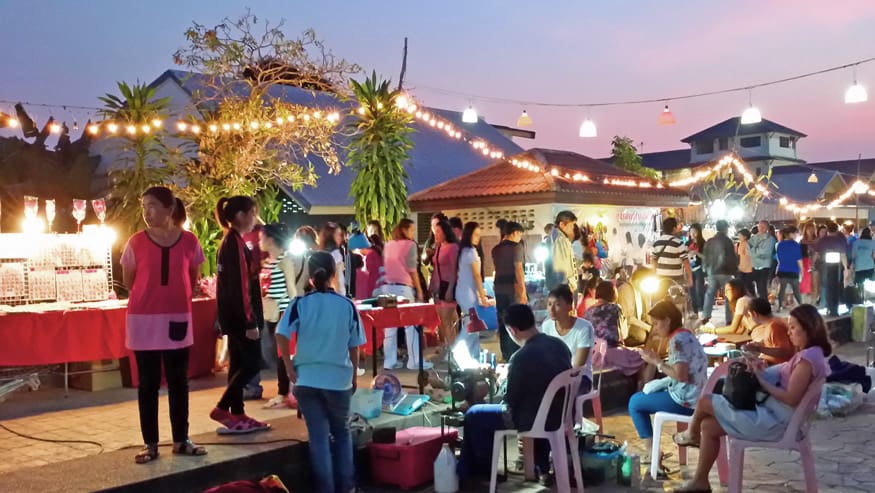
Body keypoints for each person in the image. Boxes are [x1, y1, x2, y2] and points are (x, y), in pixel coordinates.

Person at [672, 304, 831, 493]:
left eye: (793, 327)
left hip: (775, 423)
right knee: (708, 427)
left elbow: (790, 398)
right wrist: (761, 369)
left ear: (808, 328)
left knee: (704, 402)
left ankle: (691, 434)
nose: (789, 332)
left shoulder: (807, 360)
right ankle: (701, 481)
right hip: (775, 417)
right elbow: (783, 376)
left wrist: (762, 381)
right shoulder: (810, 355)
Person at [121, 186, 207, 463]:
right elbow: (128, 280)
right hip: (142, 319)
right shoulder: (135, 242)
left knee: (178, 381)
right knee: (147, 383)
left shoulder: (189, 241)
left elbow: (193, 276)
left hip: (177, 317)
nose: (147, 212)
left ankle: (181, 439)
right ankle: (151, 444)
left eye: (153, 206)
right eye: (144, 206)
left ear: (170, 209)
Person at [276, 252, 366, 493]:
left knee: (318, 437)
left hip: (306, 381)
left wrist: (288, 365)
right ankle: (347, 488)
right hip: (339, 381)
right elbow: (354, 345)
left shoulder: (299, 304)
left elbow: (280, 333)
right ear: (334, 274)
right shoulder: (347, 305)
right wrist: (354, 375)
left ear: (310, 275)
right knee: (342, 433)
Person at [459, 304, 571, 484]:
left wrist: (503, 379)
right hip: (560, 413)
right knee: (534, 403)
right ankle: (540, 465)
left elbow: (509, 400)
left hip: (532, 418)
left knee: (474, 414)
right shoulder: (559, 345)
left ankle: (481, 472)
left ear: (513, 330)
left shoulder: (520, 357)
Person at [210, 196, 271, 434]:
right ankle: (223, 407)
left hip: (231, 315)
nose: (255, 219)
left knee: (238, 365)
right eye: (253, 213)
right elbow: (240, 287)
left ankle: (237, 414)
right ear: (240, 216)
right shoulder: (234, 243)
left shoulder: (232, 241)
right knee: (250, 363)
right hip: (240, 317)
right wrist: (250, 321)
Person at [627, 300, 707, 471]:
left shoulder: (677, 341)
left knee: (635, 403)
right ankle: (652, 451)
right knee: (645, 394)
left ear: (668, 320)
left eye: (656, 324)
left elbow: (680, 375)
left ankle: (652, 452)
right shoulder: (686, 334)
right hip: (697, 396)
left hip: (686, 400)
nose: (654, 329)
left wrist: (657, 362)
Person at [380, 219, 431, 370]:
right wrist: (420, 290)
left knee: (390, 326)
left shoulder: (388, 245)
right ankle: (414, 361)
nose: (413, 233)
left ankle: (389, 361)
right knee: (411, 325)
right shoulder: (411, 245)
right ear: (404, 230)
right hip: (404, 287)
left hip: (387, 287)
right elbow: (412, 269)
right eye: (411, 230)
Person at [259, 223, 298, 410]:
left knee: (283, 354)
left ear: (271, 239)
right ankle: (282, 392)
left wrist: (293, 314)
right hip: (269, 313)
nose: (259, 241)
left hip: (282, 312)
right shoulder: (268, 262)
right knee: (276, 354)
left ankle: (284, 393)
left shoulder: (284, 260)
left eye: (261, 237)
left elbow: (291, 289)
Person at [583, 281, 646, 379]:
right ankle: (640, 387)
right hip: (612, 352)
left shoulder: (587, 311)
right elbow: (623, 335)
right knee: (644, 357)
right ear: (613, 294)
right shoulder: (615, 308)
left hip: (593, 356)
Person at [541, 284, 594, 394]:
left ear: (569, 306)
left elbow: (577, 367)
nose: (551, 309)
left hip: (580, 378)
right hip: (555, 377)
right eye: (549, 304)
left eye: (557, 305)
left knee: (559, 395)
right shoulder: (546, 326)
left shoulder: (584, 328)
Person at [455, 222, 492, 359]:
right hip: (467, 293)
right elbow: (476, 275)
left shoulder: (464, 251)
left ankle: (474, 354)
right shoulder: (470, 251)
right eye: (475, 235)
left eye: (479, 235)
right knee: (472, 323)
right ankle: (457, 351)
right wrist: (483, 296)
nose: (478, 238)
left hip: (465, 291)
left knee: (473, 324)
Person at [492, 221, 528, 361]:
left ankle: (506, 354)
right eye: (520, 234)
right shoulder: (516, 247)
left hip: (499, 289)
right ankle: (517, 353)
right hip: (513, 290)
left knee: (503, 322)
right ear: (515, 233)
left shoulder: (495, 249)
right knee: (516, 321)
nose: (520, 237)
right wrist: (523, 292)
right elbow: (518, 270)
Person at [430, 217, 460, 348]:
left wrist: (451, 288)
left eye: (438, 232)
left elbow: (455, 269)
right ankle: (450, 345)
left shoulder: (453, 247)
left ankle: (453, 348)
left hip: (448, 285)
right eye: (435, 232)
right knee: (444, 319)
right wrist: (432, 285)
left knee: (446, 319)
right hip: (438, 286)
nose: (436, 235)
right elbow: (436, 268)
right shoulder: (439, 247)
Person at [701, 220, 738, 325]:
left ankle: (706, 316)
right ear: (726, 228)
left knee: (709, 294)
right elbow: (731, 257)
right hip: (725, 272)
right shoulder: (728, 241)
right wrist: (734, 271)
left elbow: (705, 256)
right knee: (728, 296)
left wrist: (705, 270)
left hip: (712, 271)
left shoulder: (710, 241)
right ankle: (729, 319)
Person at [651, 217, 692, 301]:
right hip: (676, 278)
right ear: (674, 228)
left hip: (660, 277)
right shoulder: (679, 243)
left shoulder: (657, 243)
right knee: (677, 301)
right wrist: (690, 277)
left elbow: (654, 260)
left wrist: (654, 274)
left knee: (660, 300)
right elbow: (685, 262)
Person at [744, 298, 795, 365]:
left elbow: (783, 351)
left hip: (778, 366)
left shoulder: (774, 326)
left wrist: (758, 349)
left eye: (750, 315)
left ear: (754, 313)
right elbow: (772, 343)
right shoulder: (775, 322)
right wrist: (760, 344)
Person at [815, 222, 849, 316]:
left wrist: (813, 265)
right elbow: (843, 255)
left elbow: (817, 254)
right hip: (837, 266)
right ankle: (835, 307)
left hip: (824, 266)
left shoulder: (823, 240)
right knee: (836, 286)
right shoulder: (841, 240)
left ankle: (826, 306)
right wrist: (846, 268)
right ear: (837, 230)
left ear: (828, 230)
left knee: (825, 286)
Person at [617, 266, 653, 347]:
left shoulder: (643, 291)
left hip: (639, 323)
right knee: (641, 336)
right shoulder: (625, 289)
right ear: (637, 281)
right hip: (628, 327)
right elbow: (628, 318)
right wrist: (648, 327)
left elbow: (647, 312)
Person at [545, 210, 578, 292]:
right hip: (563, 288)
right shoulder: (560, 239)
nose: (573, 228)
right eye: (571, 225)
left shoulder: (557, 236)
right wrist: (565, 290)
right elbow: (560, 268)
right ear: (562, 224)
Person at [776, 226, 803, 312]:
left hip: (782, 269)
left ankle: (780, 306)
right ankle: (801, 305)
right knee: (796, 290)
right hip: (793, 270)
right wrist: (802, 270)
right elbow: (798, 259)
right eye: (796, 233)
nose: (797, 235)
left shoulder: (780, 244)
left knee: (782, 289)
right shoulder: (795, 245)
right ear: (791, 234)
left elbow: (779, 259)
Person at [749, 220, 777, 300]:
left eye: (763, 227)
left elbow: (765, 252)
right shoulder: (754, 238)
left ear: (767, 228)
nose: (761, 229)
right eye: (759, 227)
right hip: (755, 265)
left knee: (762, 287)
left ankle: (764, 305)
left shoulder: (771, 239)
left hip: (765, 266)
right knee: (752, 284)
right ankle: (757, 303)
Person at [318, 222, 347, 297]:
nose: (341, 237)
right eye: (338, 234)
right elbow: (336, 278)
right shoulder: (336, 254)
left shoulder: (320, 254)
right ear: (330, 236)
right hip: (337, 294)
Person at [687, 223, 706, 320]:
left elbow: (706, 257)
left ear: (699, 232)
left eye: (695, 232)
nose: (693, 234)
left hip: (699, 269)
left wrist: (696, 253)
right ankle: (694, 311)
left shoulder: (703, 243)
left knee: (699, 290)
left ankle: (701, 310)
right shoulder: (687, 243)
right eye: (691, 232)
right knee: (691, 291)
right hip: (689, 269)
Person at [851, 227, 875, 295]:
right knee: (870, 284)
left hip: (859, 266)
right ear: (870, 234)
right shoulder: (873, 242)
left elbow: (853, 256)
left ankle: (860, 297)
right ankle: (868, 299)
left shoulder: (856, 243)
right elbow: (874, 256)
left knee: (859, 284)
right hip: (869, 266)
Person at [799, 223, 817, 304]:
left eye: (812, 229)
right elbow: (800, 253)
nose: (810, 231)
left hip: (815, 262)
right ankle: (806, 299)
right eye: (809, 229)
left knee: (815, 281)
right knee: (806, 281)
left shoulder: (817, 240)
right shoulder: (802, 241)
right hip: (805, 262)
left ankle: (814, 299)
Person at [736, 228, 755, 297]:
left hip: (746, 268)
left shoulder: (745, 244)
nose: (739, 237)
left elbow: (741, 255)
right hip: (745, 267)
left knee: (747, 286)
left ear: (745, 236)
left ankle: (752, 298)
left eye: (740, 236)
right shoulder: (744, 243)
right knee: (747, 286)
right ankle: (752, 298)